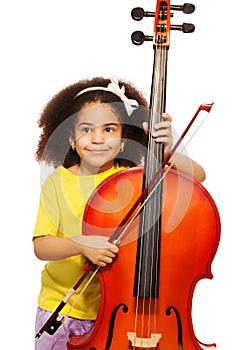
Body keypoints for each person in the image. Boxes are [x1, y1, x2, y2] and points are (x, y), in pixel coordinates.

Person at [33, 76, 206, 349]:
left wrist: (167, 149)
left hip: (118, 314)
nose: (98, 138)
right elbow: (42, 247)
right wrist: (81, 245)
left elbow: (198, 177)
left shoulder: (133, 179)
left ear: (124, 141)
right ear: (71, 139)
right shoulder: (57, 183)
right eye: (87, 129)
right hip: (63, 311)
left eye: (110, 129)